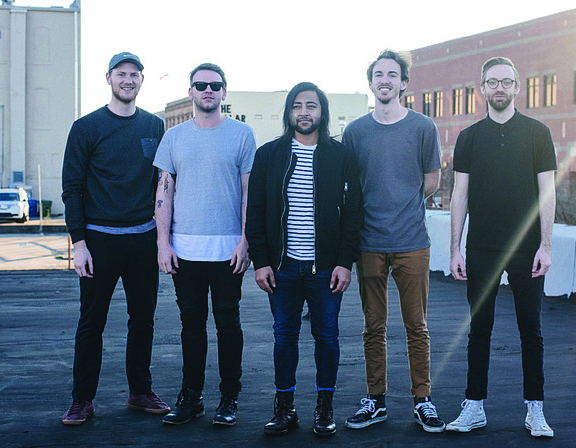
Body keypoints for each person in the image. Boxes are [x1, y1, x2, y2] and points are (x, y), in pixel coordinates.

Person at [447, 56, 557, 438]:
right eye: (492, 82)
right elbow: (458, 196)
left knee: (532, 329)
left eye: (506, 82)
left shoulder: (538, 133)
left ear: (517, 87)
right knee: (480, 329)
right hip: (481, 248)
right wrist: (455, 249)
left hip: (528, 249)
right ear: (482, 88)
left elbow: (548, 193)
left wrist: (546, 244)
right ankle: (474, 406)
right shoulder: (469, 137)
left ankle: (535, 410)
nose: (499, 88)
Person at [246, 82, 362, 437]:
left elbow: (353, 214)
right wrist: (261, 261)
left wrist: (345, 262)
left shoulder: (340, 156)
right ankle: (285, 408)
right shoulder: (269, 155)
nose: (304, 112)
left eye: (311, 106)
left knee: (327, 337)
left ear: (322, 112)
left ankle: (324, 407)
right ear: (289, 112)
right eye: (297, 106)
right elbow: (256, 213)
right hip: (282, 267)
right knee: (284, 337)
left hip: (326, 267)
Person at [60, 52, 170, 425]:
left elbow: (164, 185)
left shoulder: (156, 127)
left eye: (134, 74)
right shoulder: (86, 127)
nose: (128, 80)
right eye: (121, 74)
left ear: (142, 80)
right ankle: (82, 400)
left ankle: (140, 391)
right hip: (99, 241)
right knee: (91, 323)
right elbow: (72, 189)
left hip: (143, 240)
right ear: (108, 78)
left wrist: (162, 241)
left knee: (143, 320)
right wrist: (78, 243)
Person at [342, 49, 445, 433]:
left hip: (412, 242)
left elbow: (431, 180)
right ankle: (377, 400)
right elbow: (350, 185)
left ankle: (423, 400)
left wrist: (404, 205)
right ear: (371, 83)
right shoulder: (355, 131)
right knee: (374, 326)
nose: (385, 80)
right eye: (378, 74)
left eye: (392, 74)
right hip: (368, 242)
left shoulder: (423, 127)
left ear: (404, 83)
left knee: (416, 326)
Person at [153, 63, 256, 427]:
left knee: (228, 324)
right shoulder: (174, 138)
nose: (208, 90)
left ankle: (229, 397)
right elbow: (164, 191)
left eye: (215, 85)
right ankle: (190, 397)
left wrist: (246, 241)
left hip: (228, 250)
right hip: (185, 251)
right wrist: (163, 243)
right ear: (191, 92)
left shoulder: (243, 135)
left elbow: (249, 194)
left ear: (224, 92)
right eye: (201, 85)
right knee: (191, 326)